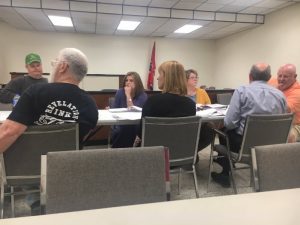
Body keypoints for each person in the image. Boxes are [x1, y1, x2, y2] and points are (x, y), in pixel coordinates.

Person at [0, 48, 98, 153]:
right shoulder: (91, 105)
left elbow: (8, 132)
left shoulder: (35, 92)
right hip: (67, 166)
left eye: (54, 63)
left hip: (29, 164)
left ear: (62, 67)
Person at [212, 63, 287, 187]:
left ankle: (226, 173)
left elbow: (229, 123)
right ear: (269, 77)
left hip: (244, 146)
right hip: (271, 146)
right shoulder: (280, 95)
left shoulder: (242, 91)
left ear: (250, 76)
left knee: (224, 130)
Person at [141, 60, 195, 125]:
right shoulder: (191, 104)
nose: (157, 78)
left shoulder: (153, 101)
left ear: (167, 77)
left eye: (160, 74)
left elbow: (142, 131)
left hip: (157, 135)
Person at [111, 71, 147, 148]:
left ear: (137, 83)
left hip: (135, 124)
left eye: (131, 80)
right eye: (126, 80)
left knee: (129, 128)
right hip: (121, 123)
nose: (128, 83)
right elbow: (114, 109)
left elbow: (133, 113)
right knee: (125, 128)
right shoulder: (120, 92)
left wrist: (128, 96)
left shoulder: (142, 95)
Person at [269, 64, 300, 142]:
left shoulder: (297, 92)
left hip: (293, 124)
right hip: (273, 120)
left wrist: (274, 91)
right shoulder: (272, 81)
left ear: (295, 76)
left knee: (288, 136)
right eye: (280, 76)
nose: (281, 79)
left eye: (286, 76)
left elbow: (283, 110)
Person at [186, 69, 214, 156]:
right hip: (186, 124)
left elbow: (210, 106)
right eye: (192, 77)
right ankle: (190, 153)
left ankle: (192, 152)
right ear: (185, 80)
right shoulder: (180, 92)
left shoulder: (202, 92)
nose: (195, 79)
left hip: (201, 123)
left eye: (196, 77)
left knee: (210, 131)